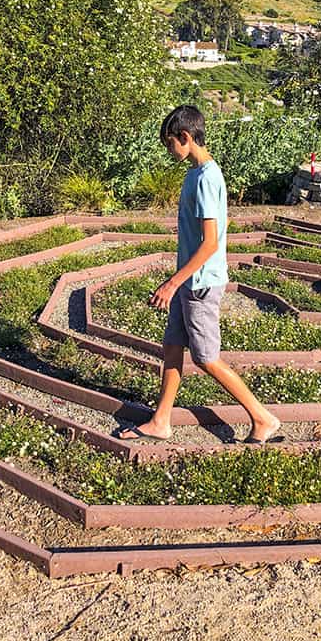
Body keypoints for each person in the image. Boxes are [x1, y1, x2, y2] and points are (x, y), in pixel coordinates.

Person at [119, 105, 282, 444]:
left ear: (185, 137)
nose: (168, 151)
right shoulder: (194, 173)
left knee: (206, 358)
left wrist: (172, 282)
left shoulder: (208, 178)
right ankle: (161, 420)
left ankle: (262, 417)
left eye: (170, 144)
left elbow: (210, 244)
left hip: (200, 284)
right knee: (172, 347)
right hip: (188, 281)